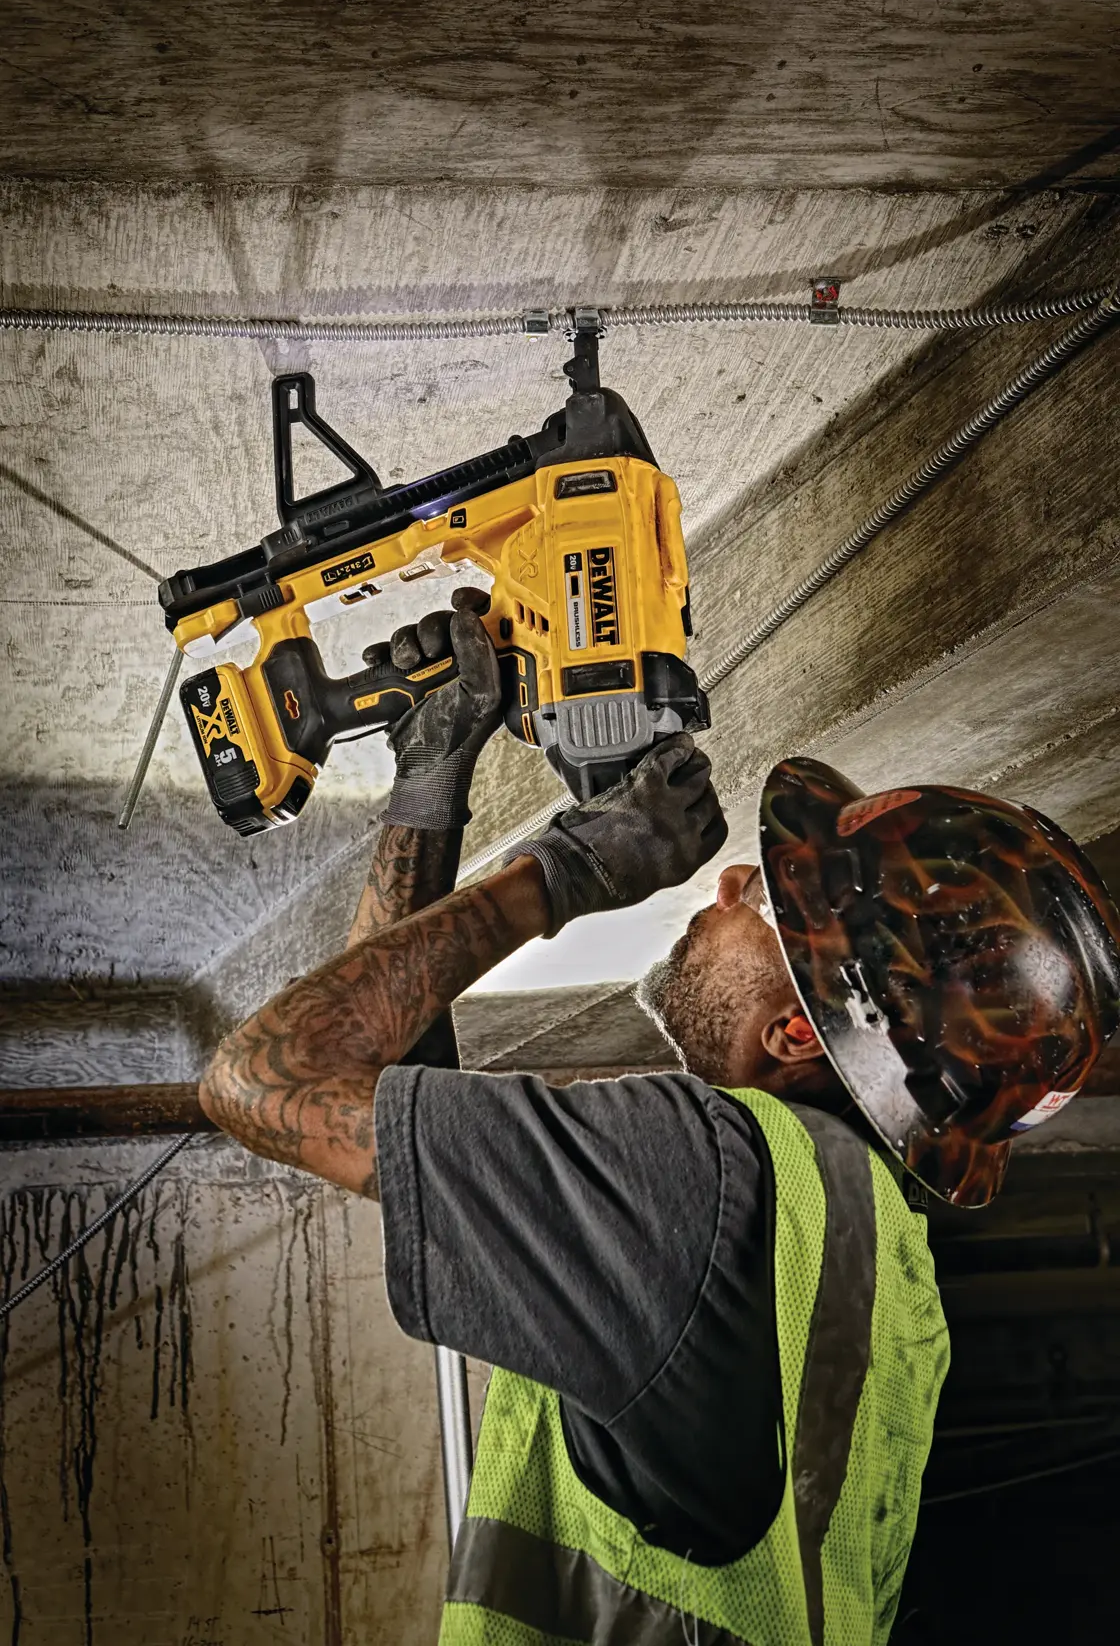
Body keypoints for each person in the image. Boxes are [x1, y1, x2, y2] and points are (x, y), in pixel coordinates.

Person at [199, 590, 1120, 1645]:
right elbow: (381, 1106)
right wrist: (427, 791)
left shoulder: (710, 1174)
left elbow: (259, 1082)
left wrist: (561, 874)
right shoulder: (868, 1264)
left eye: (770, 902)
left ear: (797, 1035)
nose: (730, 881)